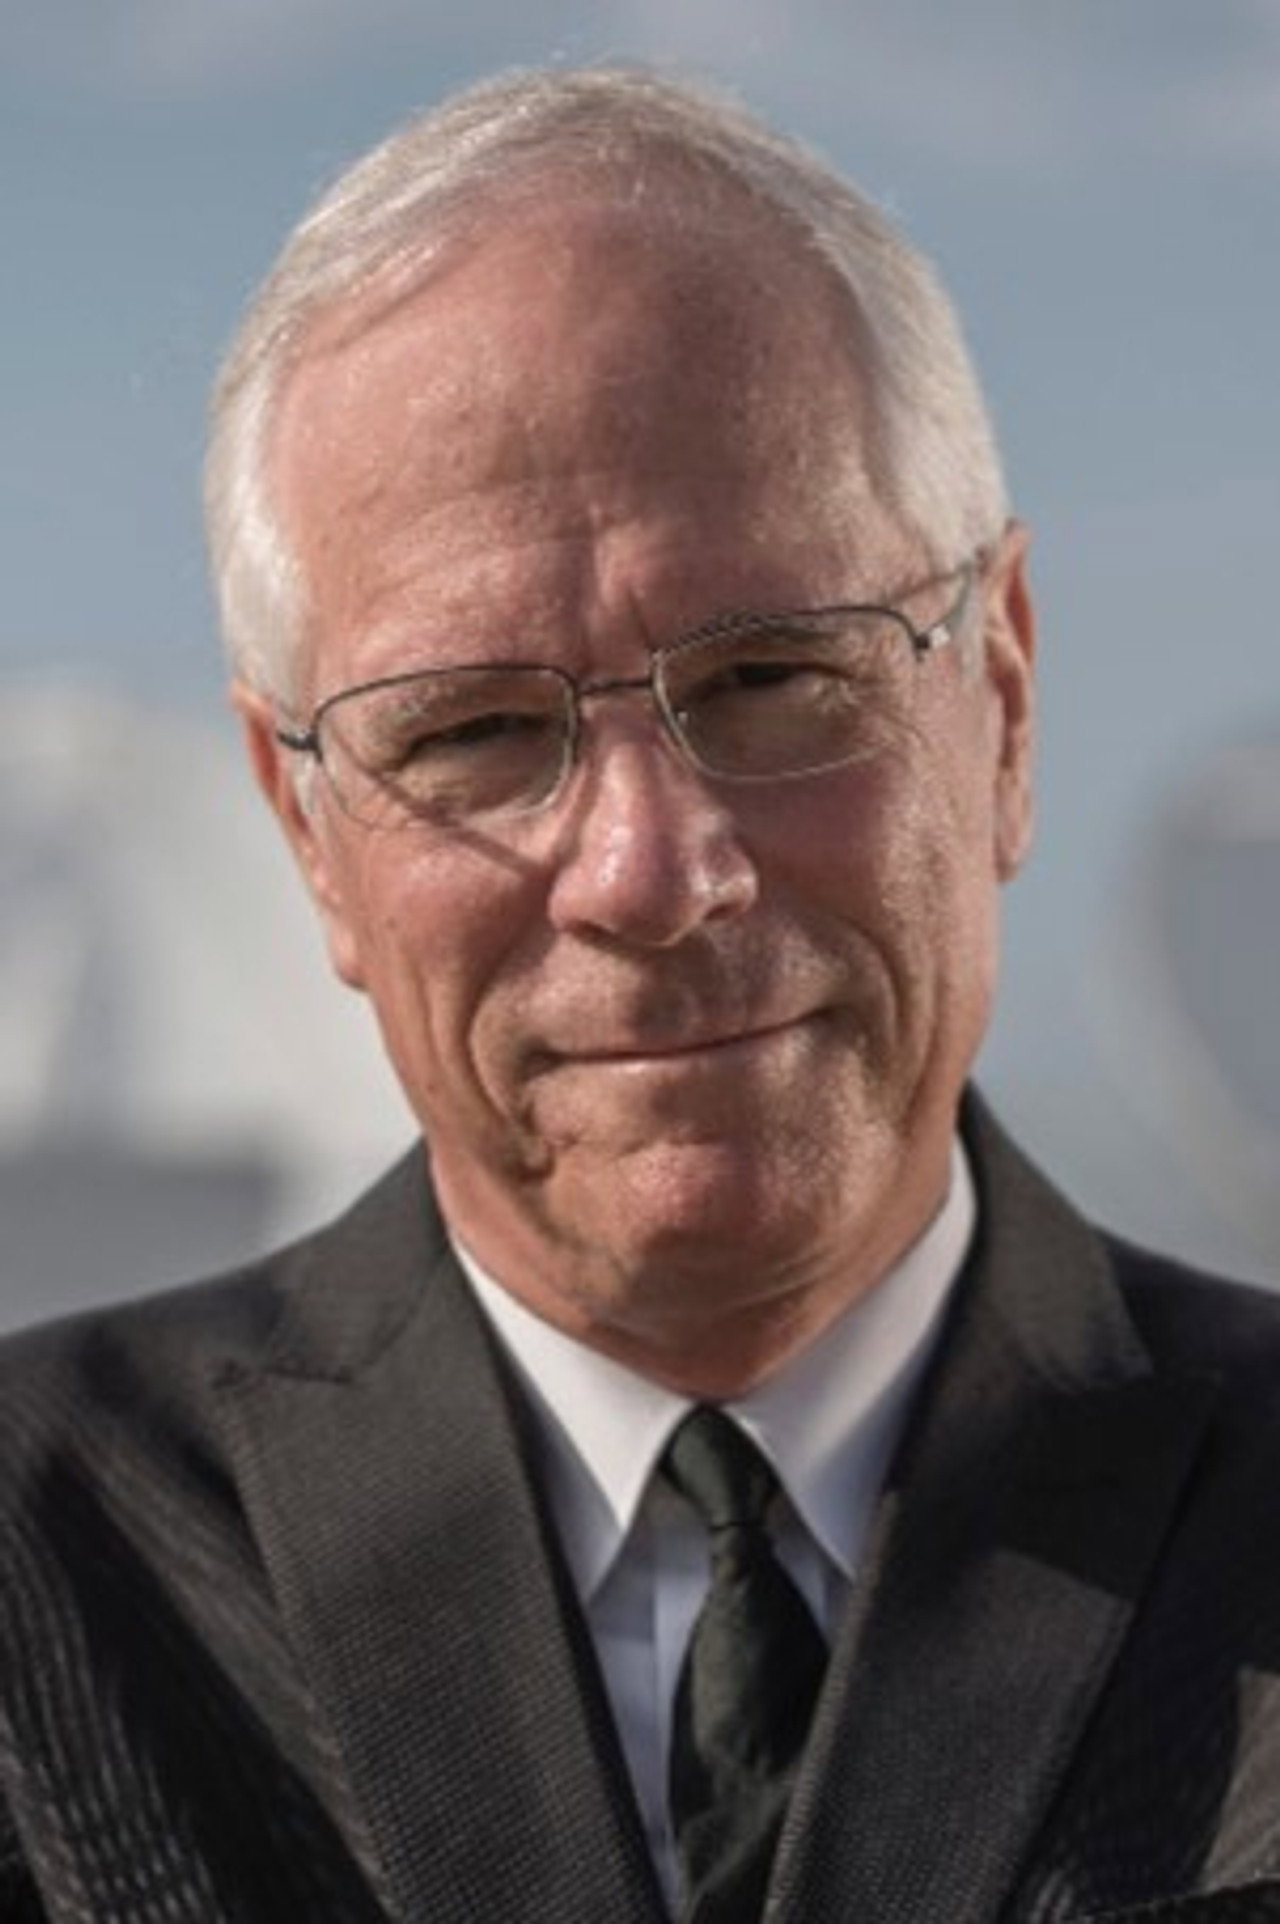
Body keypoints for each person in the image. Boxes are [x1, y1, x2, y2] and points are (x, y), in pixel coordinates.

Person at [2, 64, 1280, 1924]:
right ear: (307, 831)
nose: (649, 871)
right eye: (474, 731)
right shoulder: (37, 1601)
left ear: (1001, 703)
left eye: (771, 677)